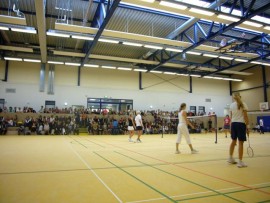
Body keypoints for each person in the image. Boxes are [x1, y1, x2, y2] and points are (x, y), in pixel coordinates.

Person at [228, 92, 249, 168]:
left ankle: (230, 158)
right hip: (240, 124)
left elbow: (231, 117)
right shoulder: (243, 104)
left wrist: (230, 126)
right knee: (241, 143)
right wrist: (248, 126)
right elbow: (245, 116)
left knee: (233, 141)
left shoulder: (231, 105)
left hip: (233, 124)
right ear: (240, 96)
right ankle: (240, 162)